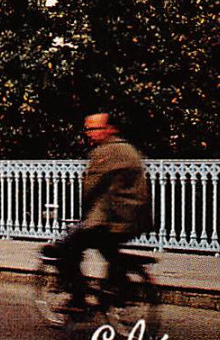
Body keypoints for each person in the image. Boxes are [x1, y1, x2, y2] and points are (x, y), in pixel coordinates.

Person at [47, 112, 150, 314]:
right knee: (109, 251)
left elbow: (91, 188)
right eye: (88, 129)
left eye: (94, 129)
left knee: (68, 248)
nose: (89, 134)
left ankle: (77, 299)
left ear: (110, 129)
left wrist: (84, 217)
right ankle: (119, 285)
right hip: (134, 219)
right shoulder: (129, 150)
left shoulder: (105, 152)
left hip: (111, 219)